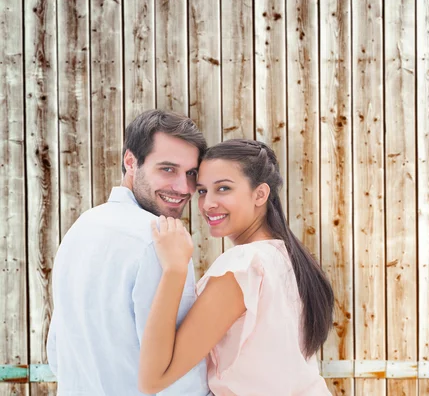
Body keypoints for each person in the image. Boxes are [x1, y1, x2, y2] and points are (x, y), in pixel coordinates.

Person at [138, 139, 334, 395]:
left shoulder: (243, 267)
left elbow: (153, 380)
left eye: (223, 189)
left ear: (260, 194)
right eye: (202, 191)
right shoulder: (287, 258)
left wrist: (174, 270)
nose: (207, 204)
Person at [47, 110, 211, 395]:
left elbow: (57, 356)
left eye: (191, 173)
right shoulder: (161, 243)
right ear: (131, 162)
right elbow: (179, 379)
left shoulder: (81, 228)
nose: (184, 188)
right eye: (168, 169)